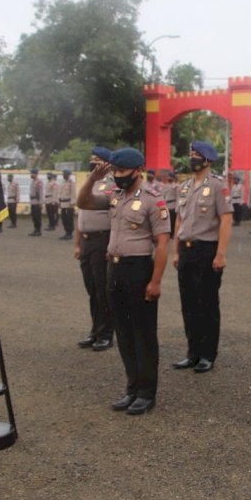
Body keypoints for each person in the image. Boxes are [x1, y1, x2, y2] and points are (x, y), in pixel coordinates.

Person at [77, 148, 170, 415]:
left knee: (143, 334)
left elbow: (163, 243)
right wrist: (93, 179)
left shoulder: (153, 200)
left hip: (139, 270)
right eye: (115, 171)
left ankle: (146, 393)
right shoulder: (114, 196)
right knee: (124, 333)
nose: (118, 175)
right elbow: (83, 202)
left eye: (123, 171)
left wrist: (156, 281)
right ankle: (132, 388)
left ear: (138, 170)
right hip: (114, 269)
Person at [172, 141, 233, 373]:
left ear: (207, 160)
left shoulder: (218, 186)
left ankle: (208, 354)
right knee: (188, 304)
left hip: (207, 250)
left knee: (206, 303)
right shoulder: (184, 187)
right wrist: (176, 251)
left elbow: (226, 220)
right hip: (186, 250)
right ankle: (193, 352)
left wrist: (221, 254)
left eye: (196, 155)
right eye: (191, 154)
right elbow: (179, 220)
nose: (192, 158)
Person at [74, 147, 115, 352]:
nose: (92, 162)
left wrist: (111, 245)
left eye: (97, 159)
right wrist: (77, 244)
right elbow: (80, 216)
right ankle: (95, 331)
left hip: (102, 240)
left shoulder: (112, 185)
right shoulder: (89, 183)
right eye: (91, 159)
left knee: (102, 290)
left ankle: (106, 334)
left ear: (107, 164)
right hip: (87, 242)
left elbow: (116, 219)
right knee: (91, 289)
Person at [59, 169, 76, 240]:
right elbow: (60, 193)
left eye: (64, 174)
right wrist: (59, 202)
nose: (63, 175)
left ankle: (69, 233)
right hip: (63, 204)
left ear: (68, 175)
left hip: (68, 205)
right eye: (63, 174)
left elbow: (73, 193)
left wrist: (72, 203)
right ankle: (66, 232)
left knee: (69, 219)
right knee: (64, 219)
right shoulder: (63, 183)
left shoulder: (71, 183)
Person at [161, 171, 178, 237]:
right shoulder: (164, 186)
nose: (169, 178)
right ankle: (168, 233)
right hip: (165, 205)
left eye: (170, 177)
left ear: (173, 178)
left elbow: (178, 196)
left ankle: (172, 233)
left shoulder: (175, 186)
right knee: (166, 220)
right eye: (168, 177)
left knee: (173, 220)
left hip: (173, 205)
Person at [28, 168, 44, 236]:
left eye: (32, 173)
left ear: (35, 174)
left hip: (37, 202)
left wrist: (41, 202)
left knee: (37, 217)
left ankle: (38, 230)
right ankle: (35, 229)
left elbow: (41, 193)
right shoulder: (33, 182)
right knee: (34, 217)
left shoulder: (39, 182)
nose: (31, 175)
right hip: (33, 202)